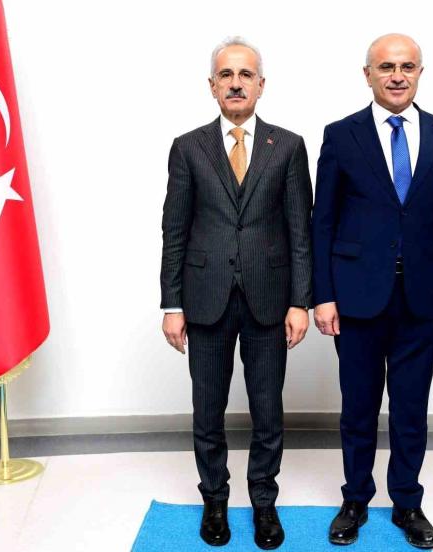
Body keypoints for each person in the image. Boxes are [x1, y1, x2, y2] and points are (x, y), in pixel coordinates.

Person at [311, 33, 433, 549]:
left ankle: (407, 502)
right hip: (356, 298)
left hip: (425, 298)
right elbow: (322, 222)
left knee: (410, 408)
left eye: (407, 66)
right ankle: (355, 499)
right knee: (358, 408)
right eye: (386, 66)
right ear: (368, 75)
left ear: (420, 72)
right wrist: (322, 295)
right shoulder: (341, 135)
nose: (397, 75)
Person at [159, 36, 312, 550]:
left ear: (261, 85)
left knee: (268, 411)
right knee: (208, 410)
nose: (236, 83)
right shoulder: (188, 147)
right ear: (212, 85)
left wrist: (299, 301)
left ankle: (264, 502)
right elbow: (175, 231)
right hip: (205, 300)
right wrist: (172, 304)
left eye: (246, 75)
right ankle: (215, 501)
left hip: (270, 300)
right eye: (226, 75)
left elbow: (300, 231)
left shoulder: (287, 147)